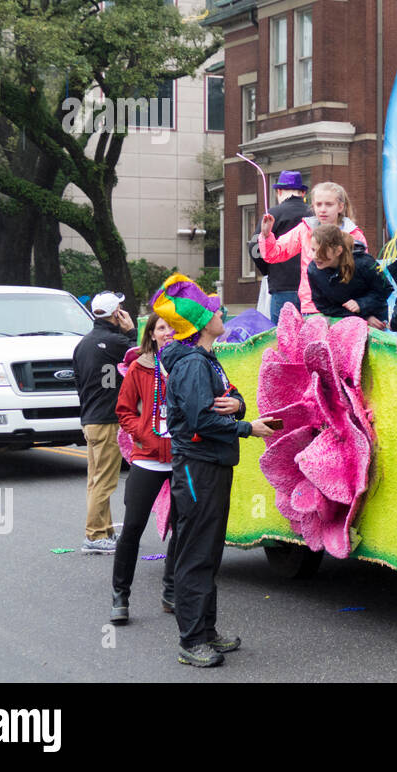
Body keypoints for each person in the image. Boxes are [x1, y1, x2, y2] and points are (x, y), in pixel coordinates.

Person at [152, 275, 277, 667]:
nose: (220, 311)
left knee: (208, 552)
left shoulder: (205, 358)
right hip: (197, 469)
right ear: (202, 323)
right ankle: (191, 642)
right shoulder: (191, 363)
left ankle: (207, 631)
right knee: (196, 554)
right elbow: (199, 422)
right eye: (212, 308)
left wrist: (238, 407)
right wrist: (247, 427)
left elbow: (230, 395)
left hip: (212, 467)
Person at [111, 312, 178, 624]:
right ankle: (120, 596)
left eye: (171, 327)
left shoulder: (186, 363)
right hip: (148, 459)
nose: (167, 332)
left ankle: (171, 590)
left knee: (183, 528)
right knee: (133, 528)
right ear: (151, 333)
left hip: (180, 458)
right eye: (161, 327)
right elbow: (123, 410)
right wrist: (142, 432)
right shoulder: (140, 367)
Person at [72, 291, 137, 554]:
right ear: (116, 313)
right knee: (105, 481)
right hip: (107, 419)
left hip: (90, 418)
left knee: (95, 479)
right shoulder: (117, 341)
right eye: (120, 307)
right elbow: (140, 356)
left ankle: (104, 530)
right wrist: (131, 331)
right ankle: (95, 535)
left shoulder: (84, 343)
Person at [259, 181, 367, 317]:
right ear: (313, 206)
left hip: (346, 309)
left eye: (329, 204)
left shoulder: (354, 235)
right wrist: (266, 235)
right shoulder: (304, 230)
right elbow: (273, 254)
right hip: (312, 308)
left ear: (340, 207)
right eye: (318, 204)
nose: (322, 209)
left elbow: (364, 275)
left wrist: (363, 305)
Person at [307, 223, 393, 327]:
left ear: (338, 251)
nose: (315, 256)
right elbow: (323, 305)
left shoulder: (364, 263)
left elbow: (385, 289)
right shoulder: (314, 270)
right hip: (345, 319)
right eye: (313, 250)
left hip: (375, 317)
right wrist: (361, 318)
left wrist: (361, 304)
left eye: (322, 251)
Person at [264, 171, 312, 323]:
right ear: (303, 192)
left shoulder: (273, 214)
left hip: (282, 285)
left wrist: (269, 270)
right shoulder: (315, 215)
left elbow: (255, 248)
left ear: (279, 191)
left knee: (282, 337)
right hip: (313, 289)